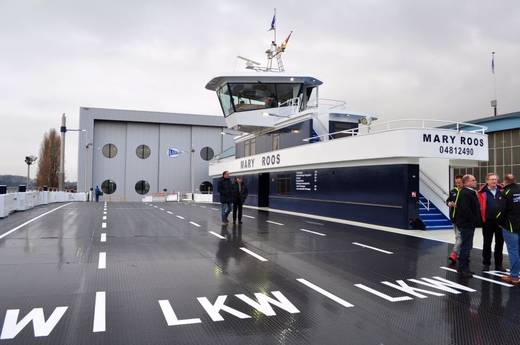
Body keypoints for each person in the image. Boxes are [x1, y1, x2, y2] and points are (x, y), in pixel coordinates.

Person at [454, 174, 482, 277]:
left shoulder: (469, 192)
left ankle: (462, 267)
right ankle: (463, 268)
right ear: (466, 182)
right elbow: (466, 210)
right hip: (467, 224)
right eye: (473, 180)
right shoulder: (466, 193)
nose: (475, 181)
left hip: (468, 223)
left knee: (466, 246)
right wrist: (474, 220)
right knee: (466, 246)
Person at [478, 173, 504, 271]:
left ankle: (499, 265)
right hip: (487, 222)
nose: (494, 181)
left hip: (500, 222)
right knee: (487, 243)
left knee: (500, 243)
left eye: (495, 179)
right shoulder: (481, 192)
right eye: (492, 179)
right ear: (487, 181)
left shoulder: (502, 191)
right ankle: (486, 264)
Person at [498, 174, 520, 285]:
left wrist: (499, 222)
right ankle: (516, 274)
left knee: (513, 251)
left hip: (510, 227)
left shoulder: (505, 192)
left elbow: (501, 211)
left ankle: (515, 276)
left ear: (505, 181)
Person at [446, 175, 463, 264]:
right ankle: (460, 254)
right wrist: (449, 203)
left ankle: (454, 253)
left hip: (462, 218)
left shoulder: (465, 192)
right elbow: (447, 201)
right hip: (454, 218)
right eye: (456, 183)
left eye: (459, 182)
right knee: (458, 237)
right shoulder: (453, 191)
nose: (458, 184)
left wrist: (458, 206)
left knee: (459, 237)